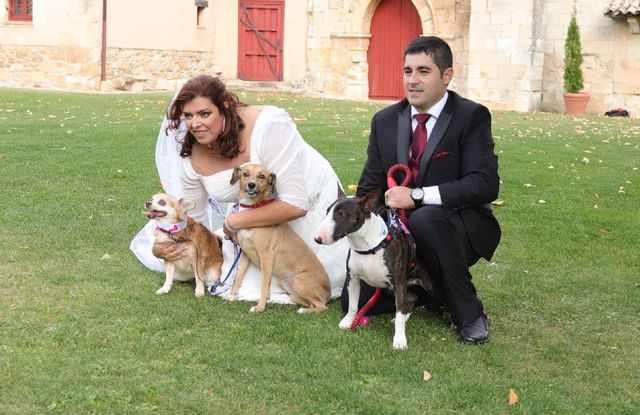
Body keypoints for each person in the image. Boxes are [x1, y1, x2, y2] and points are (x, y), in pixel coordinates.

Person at [131, 74, 349, 303]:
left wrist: (234, 222)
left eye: (205, 113)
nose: (195, 124)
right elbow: (193, 222)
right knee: (230, 278)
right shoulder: (190, 162)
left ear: (225, 108)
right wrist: (164, 247)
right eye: (188, 116)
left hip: (307, 200)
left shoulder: (270, 125)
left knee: (299, 279)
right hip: (255, 215)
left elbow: (296, 204)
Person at [346, 36, 501, 344]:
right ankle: (430, 291)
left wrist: (418, 196)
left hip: (458, 227)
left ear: (447, 76)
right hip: (399, 236)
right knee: (351, 300)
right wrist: (381, 237)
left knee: (425, 218)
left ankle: (469, 313)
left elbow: (485, 184)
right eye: (407, 71)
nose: (412, 81)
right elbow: (369, 188)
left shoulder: (471, 117)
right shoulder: (385, 121)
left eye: (423, 71)